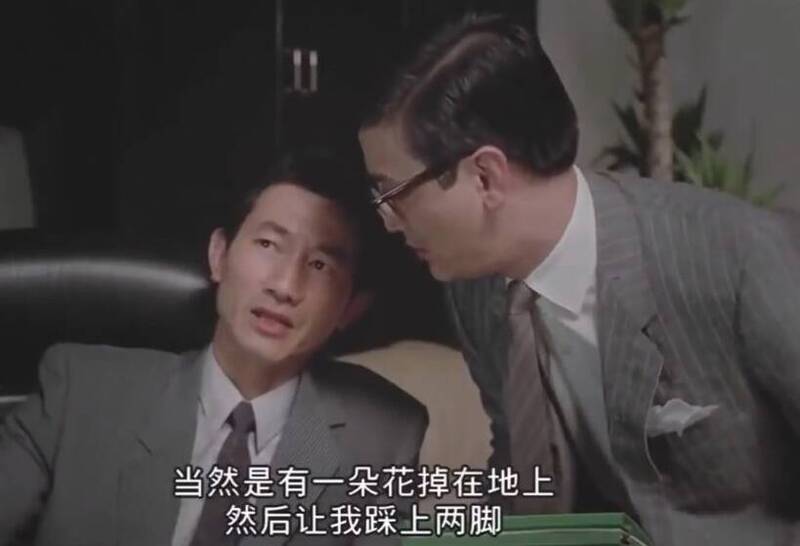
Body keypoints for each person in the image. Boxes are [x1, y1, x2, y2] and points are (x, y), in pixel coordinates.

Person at [357, 13, 800, 546]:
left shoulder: (737, 256)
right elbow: (523, 472)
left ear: (485, 176)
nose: (388, 221)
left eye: (393, 194)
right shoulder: (473, 288)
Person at [0, 148, 428, 546]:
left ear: (350, 309)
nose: (285, 286)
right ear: (219, 255)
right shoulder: (79, 389)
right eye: (268, 244)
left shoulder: (384, 436)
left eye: (319, 265)